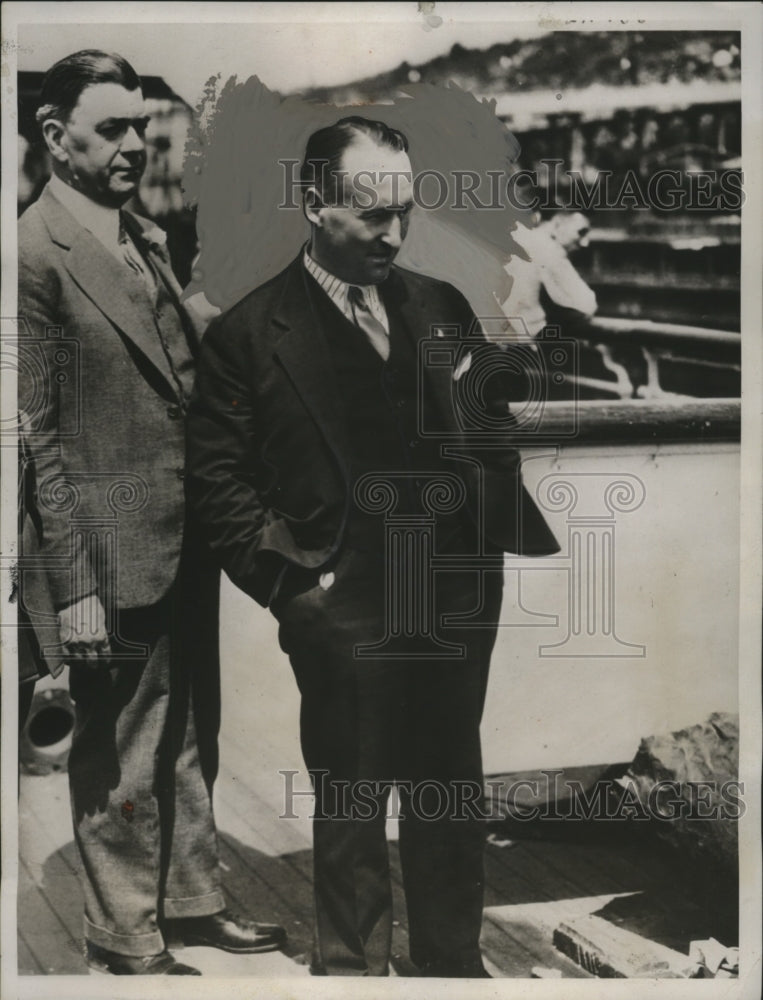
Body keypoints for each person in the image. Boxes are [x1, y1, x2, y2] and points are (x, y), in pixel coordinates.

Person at [186, 116, 560, 978]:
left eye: (404, 210)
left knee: (449, 795)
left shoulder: (439, 303)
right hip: (340, 604)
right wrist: (294, 591)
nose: (394, 232)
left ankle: (450, 968)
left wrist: (483, 549)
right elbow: (218, 484)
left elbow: (487, 427)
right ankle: (352, 974)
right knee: (352, 802)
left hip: (455, 595)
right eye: (371, 215)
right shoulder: (248, 334)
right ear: (314, 203)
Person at [17, 50, 285, 975]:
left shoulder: (140, 233)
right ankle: (125, 934)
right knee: (121, 743)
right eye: (114, 128)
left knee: (186, 727)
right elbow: (37, 440)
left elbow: (175, 356)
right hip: (102, 545)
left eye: (141, 125)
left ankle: (191, 901)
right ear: (57, 138)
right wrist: (75, 587)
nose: (137, 144)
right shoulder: (29, 257)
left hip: (180, 533)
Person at [499, 209, 597, 341]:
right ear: (558, 223)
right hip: (521, 341)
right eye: (582, 232)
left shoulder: (517, 236)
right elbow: (586, 303)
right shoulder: (548, 248)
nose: (585, 243)